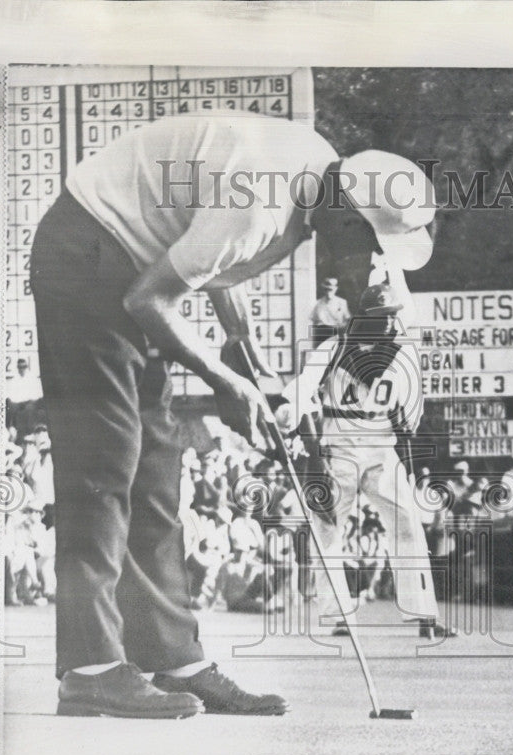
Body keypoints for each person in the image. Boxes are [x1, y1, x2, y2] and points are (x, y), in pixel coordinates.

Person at [30, 110, 436, 717]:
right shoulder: (265, 202)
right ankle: (88, 671)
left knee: (157, 467)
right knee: (104, 460)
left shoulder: (318, 169)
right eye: (368, 240)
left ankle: (172, 660)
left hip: (126, 259)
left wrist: (247, 360)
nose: (364, 257)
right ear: (347, 211)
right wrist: (225, 383)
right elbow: (151, 297)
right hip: (84, 252)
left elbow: (214, 260)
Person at [275, 283, 454, 639]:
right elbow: (303, 386)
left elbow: (412, 405)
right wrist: (289, 411)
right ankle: (339, 614)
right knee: (326, 529)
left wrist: (408, 424)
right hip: (338, 448)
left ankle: (423, 614)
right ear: (365, 318)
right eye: (382, 317)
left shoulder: (402, 354)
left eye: (393, 316)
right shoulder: (336, 345)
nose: (390, 323)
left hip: (382, 448)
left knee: (407, 523)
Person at [309, 277, 351, 346]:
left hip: (337, 335)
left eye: (331, 289)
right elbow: (314, 323)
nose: (328, 292)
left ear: (336, 289)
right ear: (324, 290)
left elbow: (347, 320)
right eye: (326, 289)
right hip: (322, 336)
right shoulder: (318, 304)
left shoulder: (342, 302)